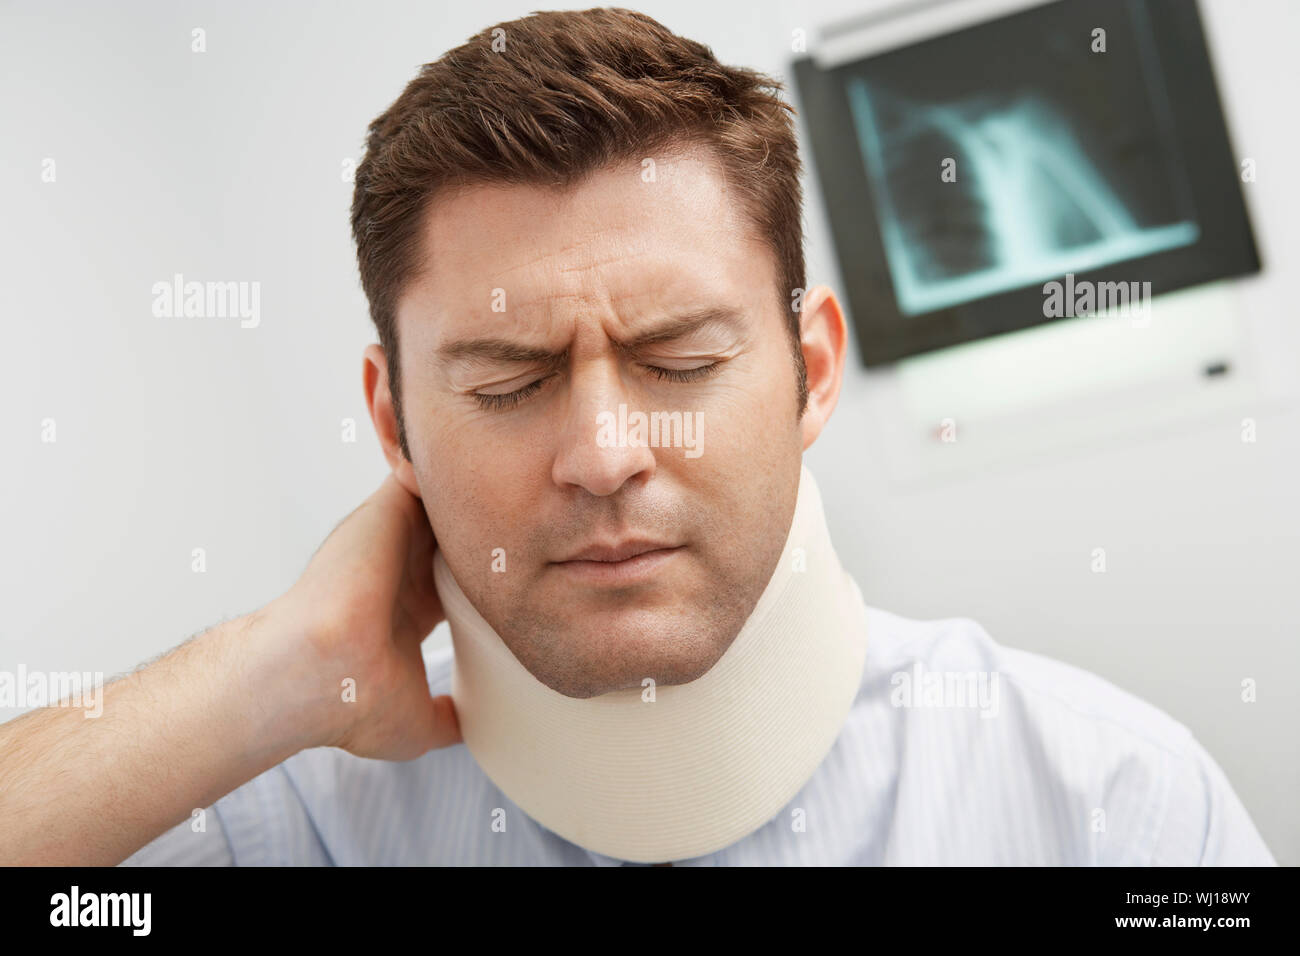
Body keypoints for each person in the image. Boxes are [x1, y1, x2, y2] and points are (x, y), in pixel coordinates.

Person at [0, 7, 1275, 866]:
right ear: (391, 419)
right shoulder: (282, 823)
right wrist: (274, 666)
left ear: (810, 370)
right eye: (506, 381)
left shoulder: (1116, 807)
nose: (604, 450)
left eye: (681, 358)